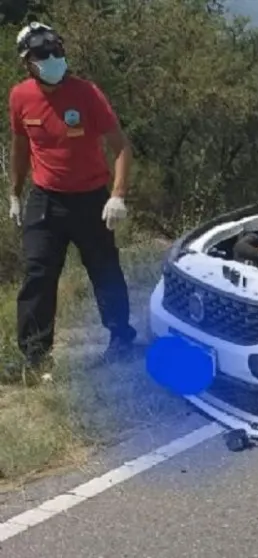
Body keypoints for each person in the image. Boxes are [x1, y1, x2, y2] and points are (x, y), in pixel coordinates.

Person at [6, 22, 137, 368]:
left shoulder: (87, 94)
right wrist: (15, 194)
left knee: (105, 269)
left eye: (56, 52)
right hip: (46, 198)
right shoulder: (20, 96)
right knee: (38, 273)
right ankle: (35, 357)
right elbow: (20, 146)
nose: (52, 59)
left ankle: (121, 338)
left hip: (92, 198)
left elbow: (121, 146)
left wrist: (118, 195)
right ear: (27, 62)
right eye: (42, 55)